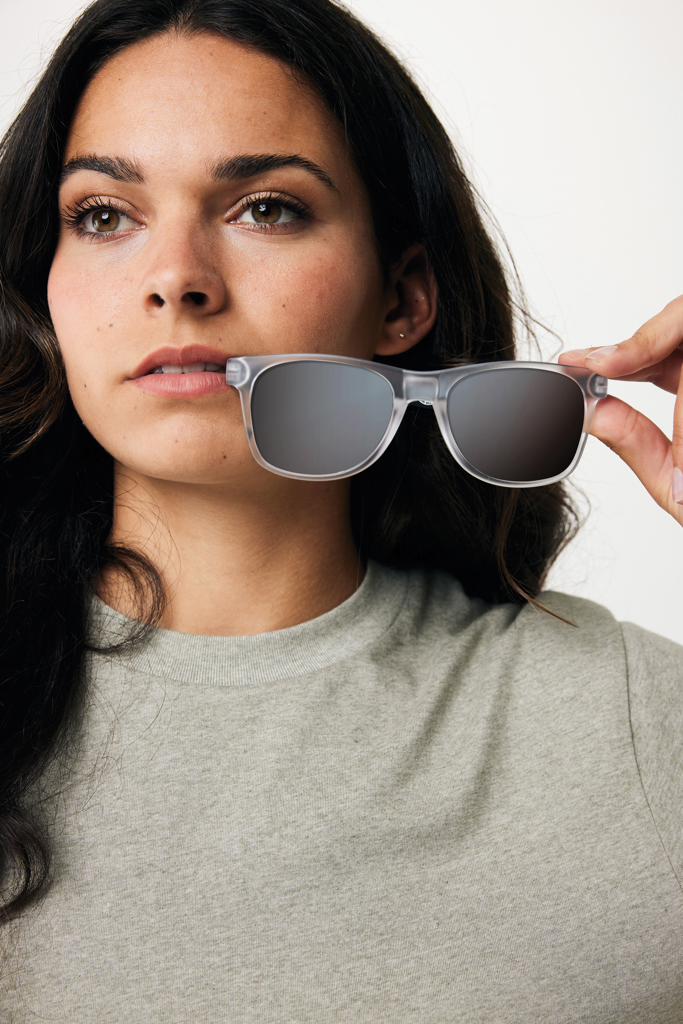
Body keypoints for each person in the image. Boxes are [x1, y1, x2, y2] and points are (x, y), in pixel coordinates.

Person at [0, 0, 681, 1019]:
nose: (176, 278)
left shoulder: (630, 725)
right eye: (103, 215)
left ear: (401, 298)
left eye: (265, 208)